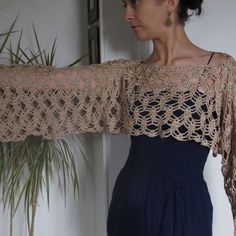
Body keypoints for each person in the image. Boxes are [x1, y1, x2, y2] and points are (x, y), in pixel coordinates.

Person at [0, 0, 236, 235]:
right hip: (130, 203)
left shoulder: (220, 71)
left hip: (184, 208)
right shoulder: (127, 76)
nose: (127, 15)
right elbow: (50, 82)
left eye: (134, 3)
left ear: (170, 3)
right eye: (125, 5)